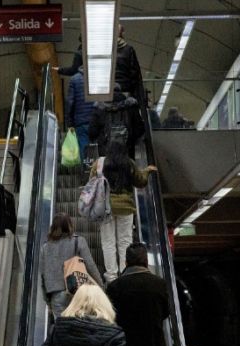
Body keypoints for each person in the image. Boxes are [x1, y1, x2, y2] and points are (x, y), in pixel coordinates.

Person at [94, 140, 155, 282]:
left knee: (108, 242)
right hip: (125, 207)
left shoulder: (100, 163)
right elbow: (140, 181)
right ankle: (124, 272)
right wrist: (147, 171)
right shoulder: (129, 163)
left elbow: (92, 181)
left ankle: (111, 276)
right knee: (125, 241)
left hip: (105, 207)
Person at [40, 213, 103, 320]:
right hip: (78, 292)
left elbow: (42, 276)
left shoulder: (45, 248)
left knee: (64, 332)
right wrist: (100, 285)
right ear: (69, 225)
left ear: (53, 227)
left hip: (57, 296)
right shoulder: (78, 241)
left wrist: (47, 300)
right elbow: (90, 265)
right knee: (82, 328)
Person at [65, 68, 94, 160]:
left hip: (81, 121)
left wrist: (69, 123)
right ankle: (98, 170)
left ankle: (86, 170)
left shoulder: (74, 79)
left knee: (84, 148)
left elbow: (70, 102)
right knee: (98, 148)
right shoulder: (96, 78)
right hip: (96, 120)